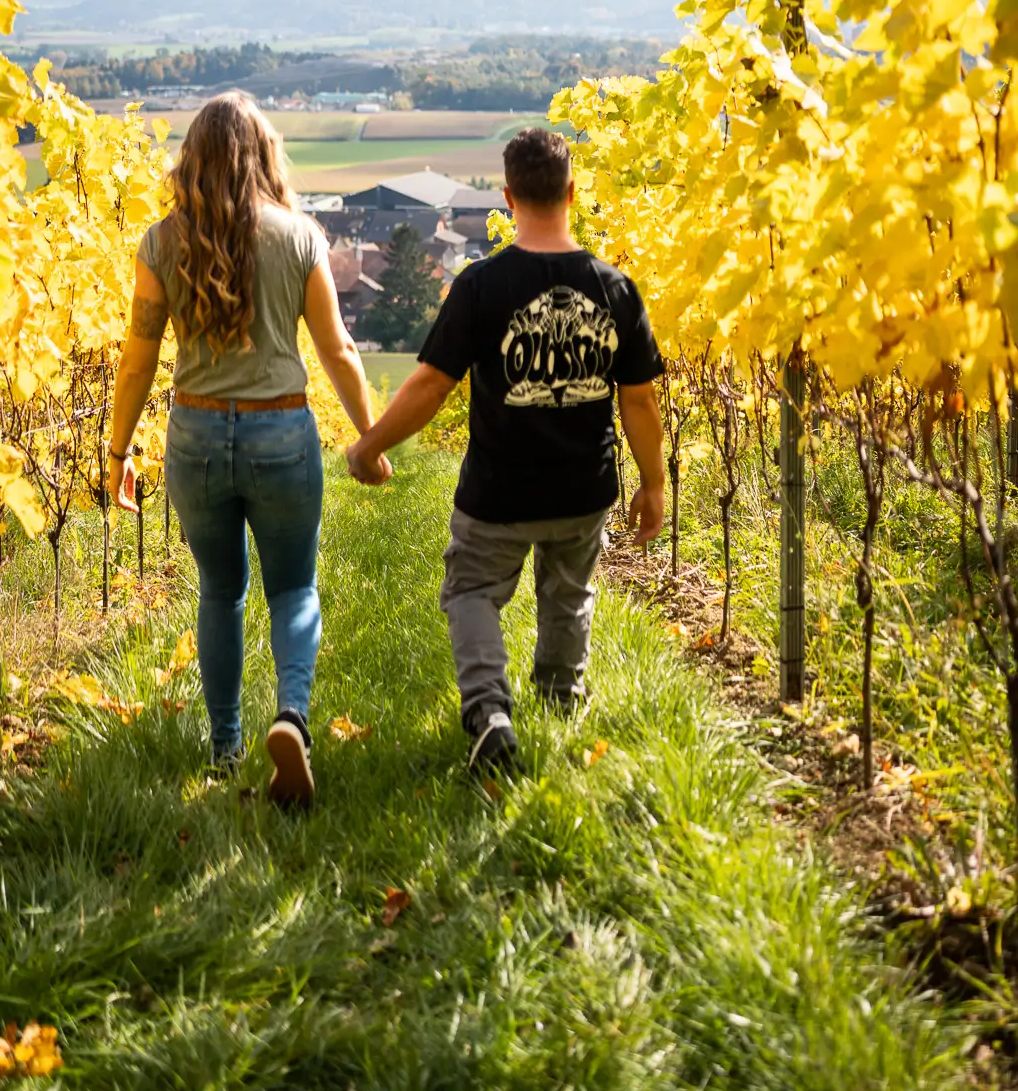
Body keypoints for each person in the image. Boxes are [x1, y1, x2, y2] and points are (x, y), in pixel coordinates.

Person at [346, 127, 666, 776]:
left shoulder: (481, 285)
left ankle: (490, 710)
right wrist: (653, 484)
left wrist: (369, 444)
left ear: (508, 195)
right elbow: (640, 402)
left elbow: (431, 384)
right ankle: (558, 697)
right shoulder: (616, 289)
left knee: (471, 590)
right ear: (572, 192)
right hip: (585, 489)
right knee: (569, 594)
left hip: (499, 491)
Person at [109, 92, 388, 806]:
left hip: (195, 435)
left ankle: (226, 747)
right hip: (281, 432)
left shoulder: (160, 243)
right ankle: (290, 717)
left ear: (191, 161)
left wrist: (117, 453)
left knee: (220, 592)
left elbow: (137, 360)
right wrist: (371, 436)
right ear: (264, 155)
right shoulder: (299, 237)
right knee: (293, 587)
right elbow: (338, 348)